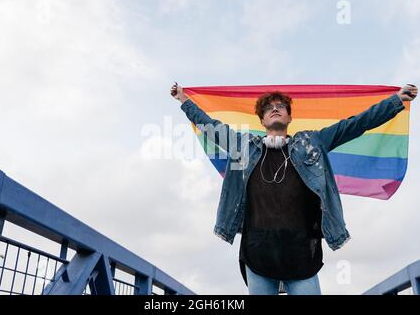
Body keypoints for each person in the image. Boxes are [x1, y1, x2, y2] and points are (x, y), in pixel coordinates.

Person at [170, 83, 417, 295]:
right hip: (258, 256)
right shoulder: (242, 146)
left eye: (280, 107)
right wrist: (183, 99)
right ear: (262, 120)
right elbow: (208, 124)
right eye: (268, 108)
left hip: (303, 258)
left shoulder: (312, 143)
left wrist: (396, 102)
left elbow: (355, 124)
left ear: (289, 117)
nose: (274, 109)